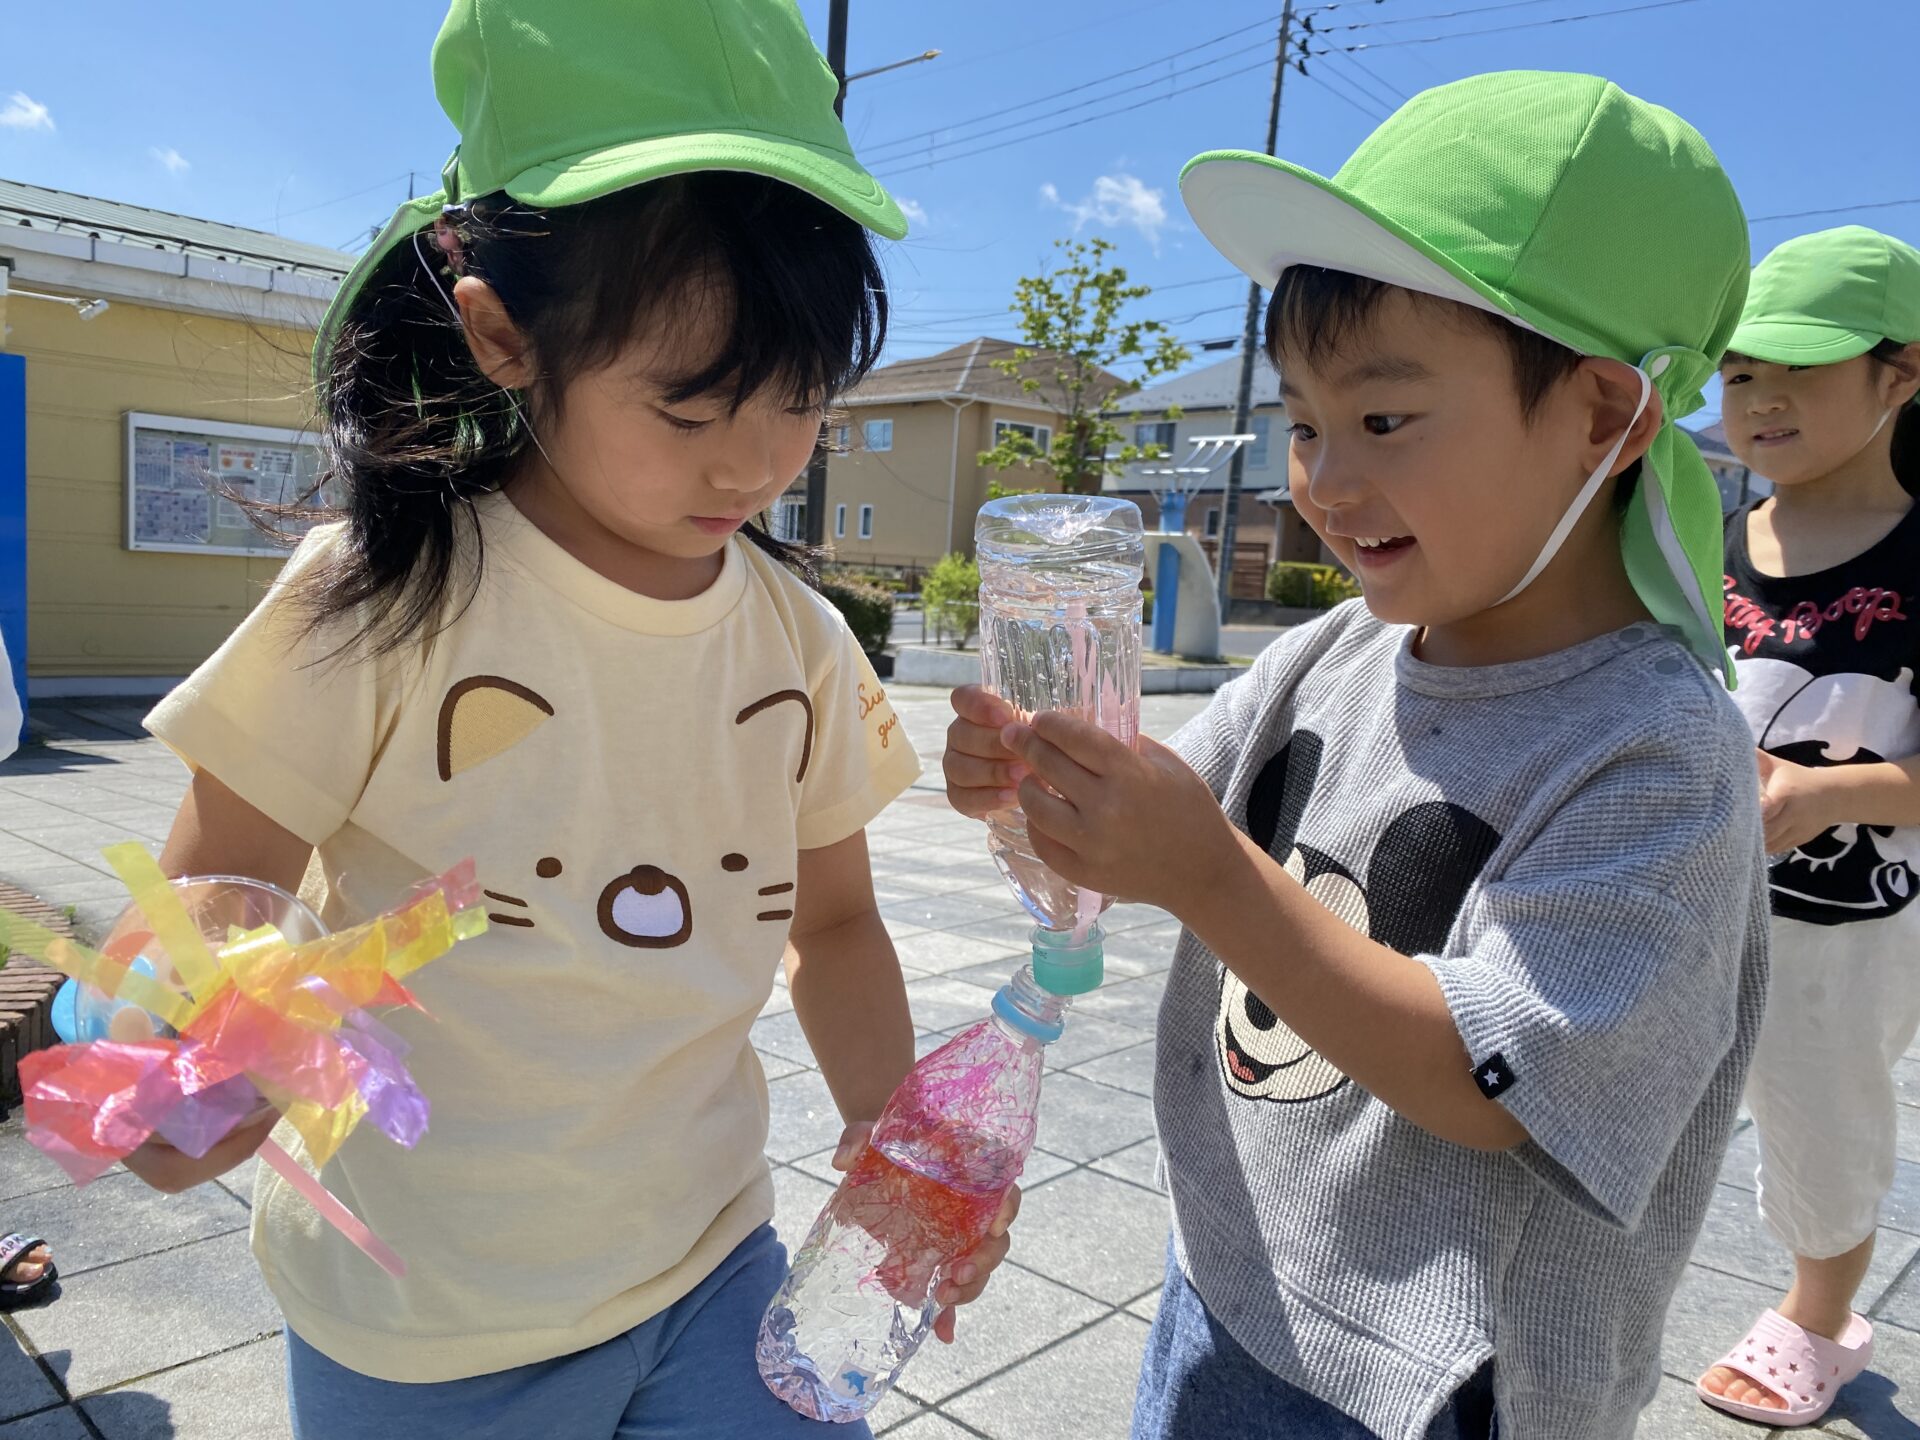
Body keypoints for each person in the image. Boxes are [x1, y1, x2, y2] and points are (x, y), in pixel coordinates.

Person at [118, 3, 1016, 1435]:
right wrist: (193, 1064)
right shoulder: (380, 598)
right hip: (424, 1317)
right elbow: (214, 902)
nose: (757, 460)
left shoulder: (792, 637)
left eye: (798, 400)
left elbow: (834, 924)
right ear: (501, 335)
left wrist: (894, 1139)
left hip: (716, 1263)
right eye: (689, 405)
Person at [946, 71, 1771, 1440]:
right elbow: (1152, 828)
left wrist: (1205, 874)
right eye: (1306, 423)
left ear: (1604, 420)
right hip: (1232, 1271)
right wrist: (1043, 796)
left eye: (1383, 421)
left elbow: (1495, 1086)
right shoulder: (1334, 655)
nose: (1321, 481)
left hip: (1434, 1378)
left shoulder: (1660, 749)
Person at [1696, 226, 1920, 1426]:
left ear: (1903, 374)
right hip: (1705, 890)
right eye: (1739, 374)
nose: (1762, 399)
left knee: (1821, 1101)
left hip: (1850, 917)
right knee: (1675, 1079)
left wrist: (1835, 793)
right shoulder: (1710, 544)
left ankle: (1820, 1312)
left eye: (1804, 368)